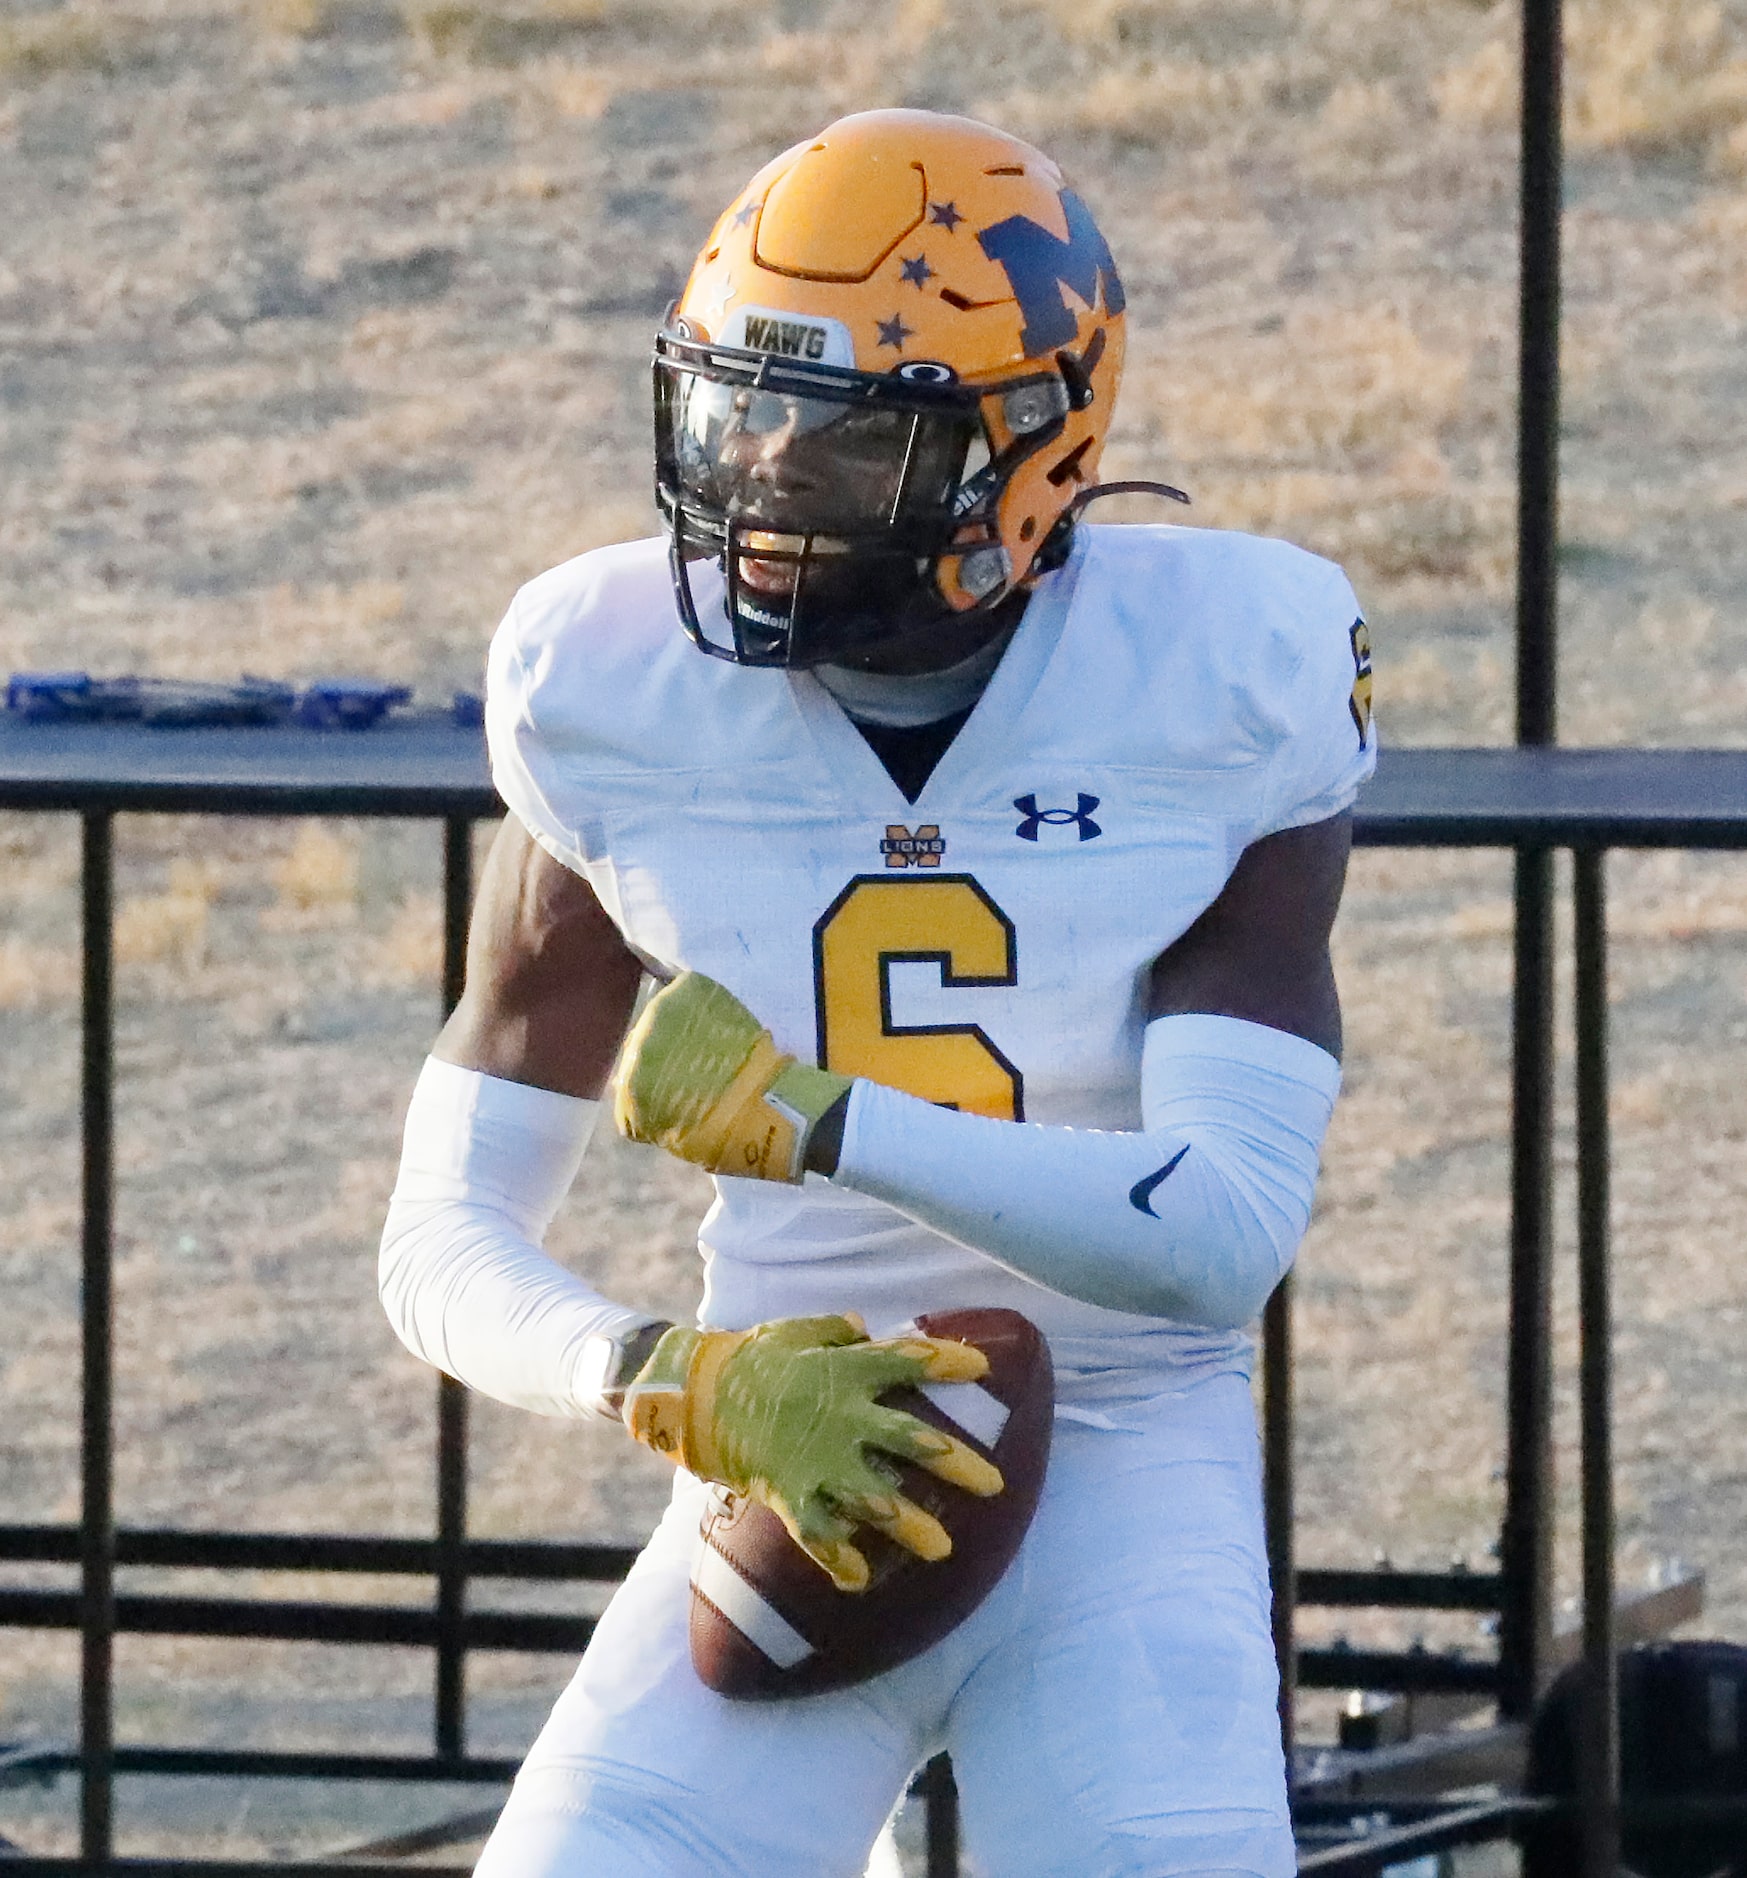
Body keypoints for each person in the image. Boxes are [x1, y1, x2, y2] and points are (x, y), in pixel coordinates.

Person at [379, 107, 1375, 1878]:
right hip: (785, 1455)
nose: (758, 494)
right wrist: (669, 1372)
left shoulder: (1222, 675)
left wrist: (821, 1121)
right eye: (734, 416)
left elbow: (1225, 1230)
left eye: (837, 453)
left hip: (1130, 1455)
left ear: (1029, 453)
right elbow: (437, 1249)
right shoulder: (604, 683)